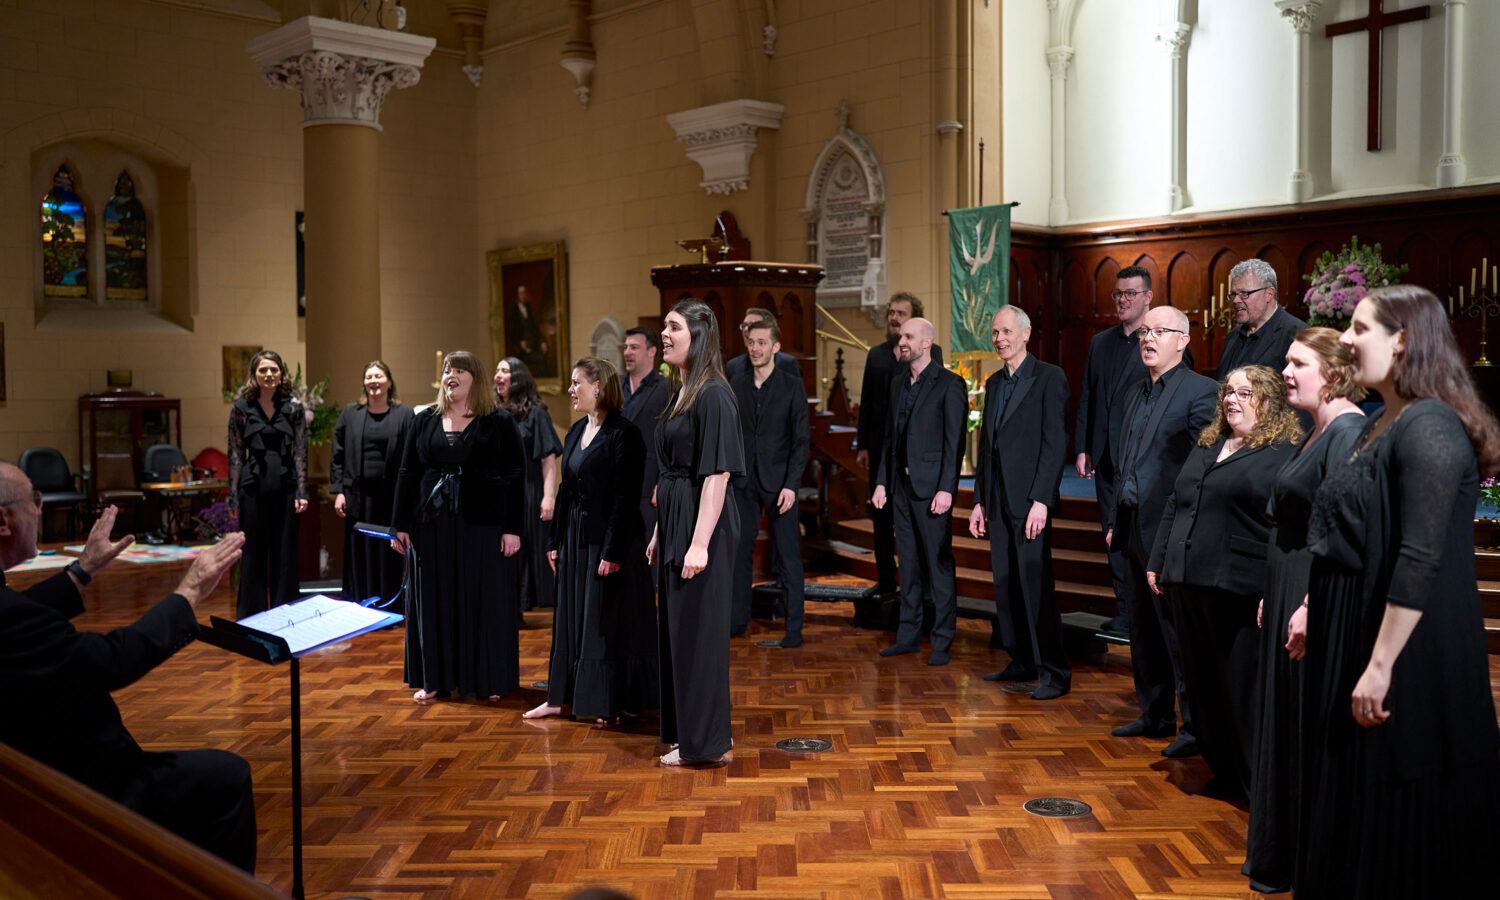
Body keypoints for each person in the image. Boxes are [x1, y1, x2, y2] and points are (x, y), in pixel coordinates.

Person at [1297, 286, 1500, 898]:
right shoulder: (1388, 420)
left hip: (1412, 655)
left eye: (1361, 328)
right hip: (1358, 630)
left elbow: (1422, 554)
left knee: (1402, 821)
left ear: (1404, 339)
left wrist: (1380, 665)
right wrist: (1314, 606)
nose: (1349, 340)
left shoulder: (1430, 423)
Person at [0, 472, 255, 873]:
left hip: (34, 772)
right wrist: (189, 592)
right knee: (228, 777)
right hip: (85, 786)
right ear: (3, 520)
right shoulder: (12, 619)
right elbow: (111, 661)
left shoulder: (9, 610)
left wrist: (81, 569)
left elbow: (23, 611)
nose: (39, 507)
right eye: (33, 498)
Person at [1243, 328, 1365, 894]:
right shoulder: (1316, 429)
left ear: (1335, 372)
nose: (1286, 372)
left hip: (1311, 590)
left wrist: (1313, 602)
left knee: (1303, 723)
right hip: (1287, 583)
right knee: (1281, 719)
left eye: (1299, 363)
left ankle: (1307, 860)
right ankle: (1281, 853)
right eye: (1286, 362)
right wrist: (1276, 590)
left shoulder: (1347, 431)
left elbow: (1343, 527)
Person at [1146, 365, 1300, 798]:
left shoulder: (1282, 451)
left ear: (1267, 400)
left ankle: (1256, 785)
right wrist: (1159, 558)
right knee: (1202, 684)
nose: (1232, 399)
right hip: (1187, 578)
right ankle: (1225, 771)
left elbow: (1284, 527)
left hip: (1238, 586)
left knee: (1240, 688)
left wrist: (1275, 587)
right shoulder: (1209, 442)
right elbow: (1177, 501)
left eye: (1245, 393)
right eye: (1229, 392)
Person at [1105, 305, 1218, 754]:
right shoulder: (1135, 392)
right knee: (1143, 631)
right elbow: (1126, 463)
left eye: (1160, 331)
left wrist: (1180, 532)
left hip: (1170, 531)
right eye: (1144, 331)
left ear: (1184, 339)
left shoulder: (1201, 392)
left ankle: (1194, 728)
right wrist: (1117, 520)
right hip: (1133, 526)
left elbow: (1200, 471)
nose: (1148, 338)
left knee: (1176, 633)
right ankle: (1154, 714)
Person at [524, 358, 657, 724]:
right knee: (571, 619)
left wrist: (612, 551)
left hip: (609, 543)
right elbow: (567, 490)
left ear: (597, 386)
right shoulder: (576, 431)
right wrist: (554, 540)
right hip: (576, 539)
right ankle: (560, 698)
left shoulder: (624, 434)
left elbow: (624, 499)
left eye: (575, 383)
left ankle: (604, 702)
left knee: (601, 623)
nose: (569, 390)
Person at [392, 351, 525, 702]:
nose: (451, 375)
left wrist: (513, 528)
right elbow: (407, 473)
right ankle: (435, 678)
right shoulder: (423, 421)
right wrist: (399, 525)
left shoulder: (498, 421)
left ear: (475, 378)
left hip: (482, 525)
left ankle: (488, 680)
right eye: (448, 370)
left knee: (483, 601)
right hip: (431, 526)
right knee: (435, 601)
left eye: (460, 370)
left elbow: (515, 476)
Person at [646, 300, 745, 767]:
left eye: (674, 327)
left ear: (699, 336)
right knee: (681, 634)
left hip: (704, 526)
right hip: (679, 521)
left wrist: (700, 542)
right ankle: (692, 735)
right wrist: (662, 532)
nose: (664, 334)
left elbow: (716, 476)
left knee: (700, 635)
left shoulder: (713, 395)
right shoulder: (681, 391)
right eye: (664, 326)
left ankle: (708, 744)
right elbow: (674, 472)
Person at [968, 306, 1071, 699]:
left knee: (1035, 586)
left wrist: (1042, 500)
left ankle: (1055, 673)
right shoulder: (993, 383)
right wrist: (979, 501)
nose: (999, 339)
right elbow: (987, 448)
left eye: (1007, 332)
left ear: (1026, 334)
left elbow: (1054, 443)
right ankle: (1021, 659)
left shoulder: (1049, 378)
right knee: (1006, 584)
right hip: (996, 501)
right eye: (995, 333)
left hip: (1030, 502)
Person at [871, 316, 967, 666]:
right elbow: (888, 439)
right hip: (900, 488)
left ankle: (942, 641)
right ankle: (908, 636)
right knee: (908, 566)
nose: (902, 341)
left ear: (927, 342)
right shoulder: (898, 384)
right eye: (901, 336)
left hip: (932, 492)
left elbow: (954, 443)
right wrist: (882, 480)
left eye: (909, 336)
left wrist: (947, 489)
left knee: (938, 567)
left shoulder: (949, 384)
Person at [1073, 267, 1153, 634]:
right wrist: (1083, 447)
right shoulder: (1100, 342)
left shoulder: (1159, 340)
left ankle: (1143, 614)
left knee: (1139, 539)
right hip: (1105, 457)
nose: (1123, 299)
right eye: (1118, 293)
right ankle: (1123, 611)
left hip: (1140, 460)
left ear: (1148, 297)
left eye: (1131, 293)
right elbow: (1088, 396)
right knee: (1111, 536)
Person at [728, 318, 810, 646]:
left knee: (788, 555)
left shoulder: (791, 385)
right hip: (743, 481)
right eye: (751, 342)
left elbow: (800, 440)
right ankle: (736, 622)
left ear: (776, 346)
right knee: (738, 553)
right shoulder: (735, 383)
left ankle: (794, 629)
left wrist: (791, 484)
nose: (755, 348)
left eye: (762, 343)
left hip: (781, 485)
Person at [227, 349, 307, 620]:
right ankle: (253, 616)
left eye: (274, 369)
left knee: (285, 553)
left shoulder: (294, 406)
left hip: (285, 485)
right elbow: (236, 454)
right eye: (263, 370)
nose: (269, 374)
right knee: (253, 554)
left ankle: (286, 616)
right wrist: (233, 498)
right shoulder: (241, 408)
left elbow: (300, 452)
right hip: (252, 486)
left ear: (281, 373)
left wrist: (302, 491)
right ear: (254, 374)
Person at [331, 360, 415, 607]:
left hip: (392, 497)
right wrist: (338, 491)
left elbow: (412, 456)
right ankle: (359, 605)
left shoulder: (404, 415)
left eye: (379, 376)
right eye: (369, 377)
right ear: (364, 383)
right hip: (358, 495)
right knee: (360, 551)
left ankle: (388, 603)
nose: (374, 381)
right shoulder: (350, 413)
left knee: (388, 552)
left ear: (389, 382)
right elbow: (337, 455)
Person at [856, 292, 921, 596]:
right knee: (881, 520)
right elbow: (867, 403)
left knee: (911, 522)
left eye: (901, 313)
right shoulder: (877, 354)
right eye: (891, 312)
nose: (894, 318)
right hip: (880, 452)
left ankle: (915, 585)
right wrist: (863, 446)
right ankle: (886, 580)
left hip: (911, 452)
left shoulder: (924, 353)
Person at [496, 357, 563, 612]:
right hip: (500, 493)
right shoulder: (493, 412)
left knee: (525, 553)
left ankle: (524, 603)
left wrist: (549, 497)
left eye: (504, 371)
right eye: (496, 371)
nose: (498, 376)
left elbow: (548, 460)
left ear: (518, 378)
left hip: (528, 490)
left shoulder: (536, 413)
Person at [1215, 259, 1307, 376]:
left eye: (1244, 293)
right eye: (1233, 294)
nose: (1236, 300)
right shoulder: (1233, 336)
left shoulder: (1296, 335)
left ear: (1269, 294)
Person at [621, 326, 671, 535]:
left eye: (634, 347)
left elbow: (670, 439)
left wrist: (663, 481)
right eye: (625, 347)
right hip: (616, 485)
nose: (627, 352)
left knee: (646, 557)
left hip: (648, 485)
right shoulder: (615, 385)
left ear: (651, 351)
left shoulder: (666, 388)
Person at [723, 307, 800, 382]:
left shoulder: (787, 363)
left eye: (753, 325)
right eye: (744, 325)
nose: (746, 329)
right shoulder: (732, 366)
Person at [508, 285, 549, 375]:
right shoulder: (513, 309)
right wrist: (520, 342)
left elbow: (534, 328)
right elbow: (512, 332)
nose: (523, 296)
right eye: (521, 293)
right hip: (521, 350)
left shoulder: (528, 307)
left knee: (543, 357)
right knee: (539, 359)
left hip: (533, 345)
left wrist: (542, 342)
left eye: (524, 293)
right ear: (517, 295)